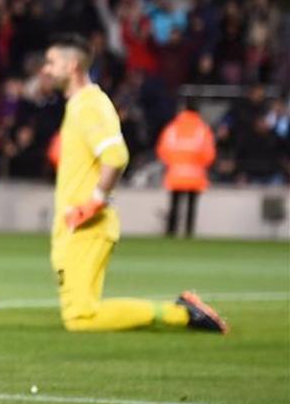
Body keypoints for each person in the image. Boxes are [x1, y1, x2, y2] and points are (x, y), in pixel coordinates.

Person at [41, 34, 227, 333]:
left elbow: (116, 156)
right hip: (75, 225)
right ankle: (182, 312)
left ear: (72, 65)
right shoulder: (81, 104)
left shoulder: (89, 104)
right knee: (80, 310)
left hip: (86, 225)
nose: (45, 69)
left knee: (80, 317)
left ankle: (181, 314)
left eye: (51, 63)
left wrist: (95, 201)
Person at [156, 100, 216, 237]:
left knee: (174, 205)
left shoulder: (173, 127)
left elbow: (163, 150)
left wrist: (173, 163)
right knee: (191, 207)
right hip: (195, 175)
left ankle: (171, 232)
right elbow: (209, 154)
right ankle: (189, 233)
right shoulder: (203, 129)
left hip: (175, 173)